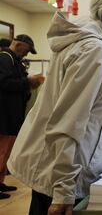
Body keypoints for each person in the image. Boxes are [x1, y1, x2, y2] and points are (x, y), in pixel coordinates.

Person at [7, 0, 102, 215]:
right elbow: (69, 122)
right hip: (64, 177)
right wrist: (64, 189)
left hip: (59, 169)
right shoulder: (93, 50)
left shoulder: (88, 43)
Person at [0, 35, 44, 200]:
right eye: (26, 50)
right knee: (1, 150)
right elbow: (4, 83)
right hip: (4, 114)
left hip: (12, 114)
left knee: (6, 152)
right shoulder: (5, 59)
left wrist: (29, 83)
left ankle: (1, 181)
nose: (26, 55)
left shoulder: (14, 60)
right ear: (18, 45)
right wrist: (28, 82)